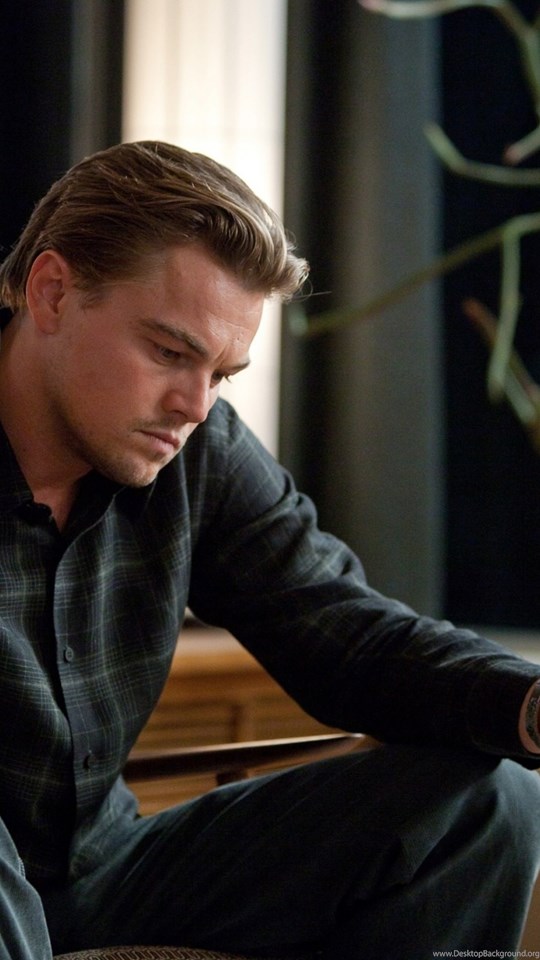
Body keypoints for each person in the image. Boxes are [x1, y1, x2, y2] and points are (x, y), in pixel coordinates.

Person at [0, 140, 539, 960]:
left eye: (222, 373)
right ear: (52, 292)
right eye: (170, 352)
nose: (194, 405)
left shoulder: (198, 449)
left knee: (483, 798)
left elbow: (346, 634)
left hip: (111, 870)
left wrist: (528, 704)